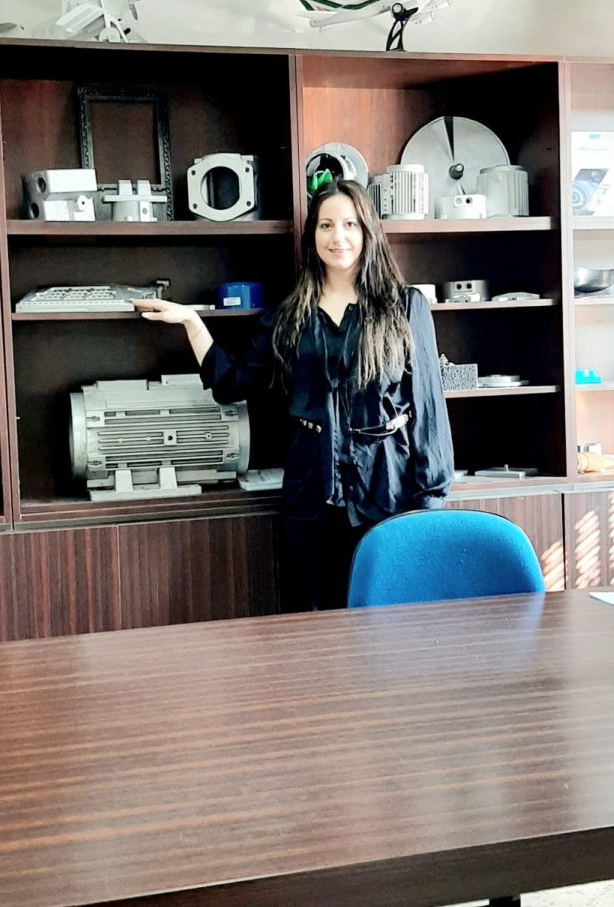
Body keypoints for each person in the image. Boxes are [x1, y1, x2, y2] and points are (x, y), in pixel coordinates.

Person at [132, 177, 454, 610]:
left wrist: (430, 503)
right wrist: (193, 321)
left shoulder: (405, 306)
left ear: (367, 231)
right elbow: (232, 383)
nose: (338, 237)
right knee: (321, 618)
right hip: (311, 494)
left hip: (389, 492)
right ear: (312, 236)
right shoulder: (289, 317)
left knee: (387, 617)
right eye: (326, 226)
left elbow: (429, 412)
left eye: (350, 224)